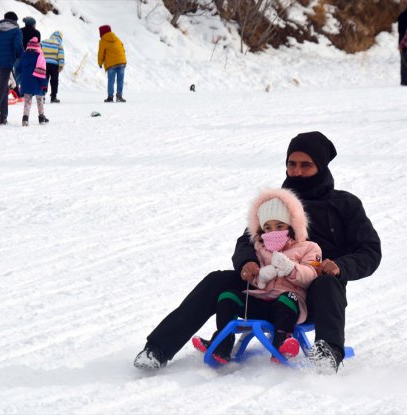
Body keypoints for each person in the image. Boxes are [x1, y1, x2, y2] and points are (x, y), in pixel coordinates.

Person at [134, 131, 382, 374]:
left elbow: (370, 250)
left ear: (322, 166)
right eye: (291, 164)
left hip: (314, 294)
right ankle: (157, 349)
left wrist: (340, 266)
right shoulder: (277, 203)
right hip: (267, 286)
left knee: (327, 284)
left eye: (305, 165)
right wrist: (247, 262)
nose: (296, 172)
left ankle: (328, 353)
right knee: (216, 280)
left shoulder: (345, 204)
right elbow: (247, 239)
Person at [191, 188, 322, 364]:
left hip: (289, 306)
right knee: (227, 296)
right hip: (261, 300)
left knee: (287, 298)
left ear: (292, 226)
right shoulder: (260, 248)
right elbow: (253, 277)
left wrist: (291, 269)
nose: (272, 232)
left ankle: (282, 343)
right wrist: (258, 276)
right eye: (267, 228)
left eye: (280, 226)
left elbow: (311, 276)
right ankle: (222, 344)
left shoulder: (309, 248)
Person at [18, 37, 49, 126]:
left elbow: (18, 68)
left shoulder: (23, 55)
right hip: (37, 82)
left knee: (27, 101)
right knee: (40, 100)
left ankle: (25, 118)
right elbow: (42, 72)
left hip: (25, 82)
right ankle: (41, 118)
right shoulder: (40, 57)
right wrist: (44, 84)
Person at [97, 25, 127, 103]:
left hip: (111, 64)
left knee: (111, 80)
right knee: (120, 80)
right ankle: (119, 96)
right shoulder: (117, 38)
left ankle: (110, 97)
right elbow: (123, 48)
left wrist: (100, 63)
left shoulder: (103, 41)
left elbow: (101, 53)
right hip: (121, 61)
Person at [14, 16, 41, 95]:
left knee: (17, 73)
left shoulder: (19, 31)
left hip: (18, 56)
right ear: (33, 24)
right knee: (27, 74)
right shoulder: (36, 33)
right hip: (30, 57)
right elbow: (37, 46)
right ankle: (23, 92)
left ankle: (13, 90)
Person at [41, 31, 65, 103]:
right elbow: (61, 56)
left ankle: (42, 96)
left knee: (44, 80)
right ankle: (53, 97)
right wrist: (61, 66)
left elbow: (39, 52)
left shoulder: (43, 42)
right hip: (54, 66)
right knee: (54, 81)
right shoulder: (59, 45)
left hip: (44, 64)